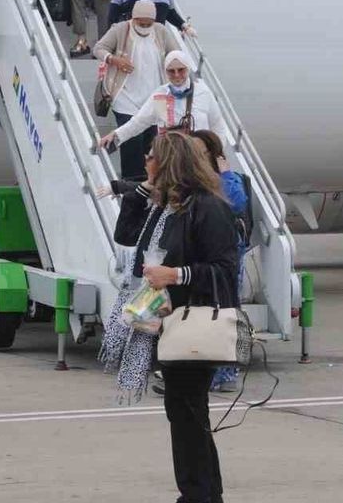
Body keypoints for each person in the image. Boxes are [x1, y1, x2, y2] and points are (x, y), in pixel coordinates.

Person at [112, 130, 239, 503]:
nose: (145, 161)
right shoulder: (165, 206)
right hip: (166, 321)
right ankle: (203, 494)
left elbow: (225, 270)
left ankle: (198, 495)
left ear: (170, 163)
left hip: (193, 321)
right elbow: (125, 235)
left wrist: (175, 275)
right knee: (185, 413)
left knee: (187, 412)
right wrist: (143, 189)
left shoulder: (207, 208)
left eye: (151, 156)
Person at [93, 0, 181, 179]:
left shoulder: (161, 31)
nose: (145, 27)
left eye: (149, 24)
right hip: (125, 97)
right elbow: (99, 48)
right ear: (133, 19)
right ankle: (130, 186)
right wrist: (114, 60)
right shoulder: (120, 29)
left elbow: (176, 54)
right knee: (132, 144)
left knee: (154, 145)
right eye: (141, 24)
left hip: (157, 98)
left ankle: (150, 186)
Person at [191, 130, 249, 394]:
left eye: (202, 152)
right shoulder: (192, 178)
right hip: (201, 251)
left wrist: (225, 173)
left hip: (226, 253)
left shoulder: (225, 179)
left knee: (225, 309)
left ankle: (225, 373)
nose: (197, 157)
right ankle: (202, 369)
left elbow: (237, 203)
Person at [98, 50, 231, 153]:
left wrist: (216, 152)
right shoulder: (161, 96)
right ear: (166, 72)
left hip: (200, 156)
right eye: (171, 71)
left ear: (188, 68)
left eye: (181, 70)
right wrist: (116, 135)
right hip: (171, 157)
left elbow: (217, 126)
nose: (177, 75)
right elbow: (139, 122)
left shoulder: (203, 93)